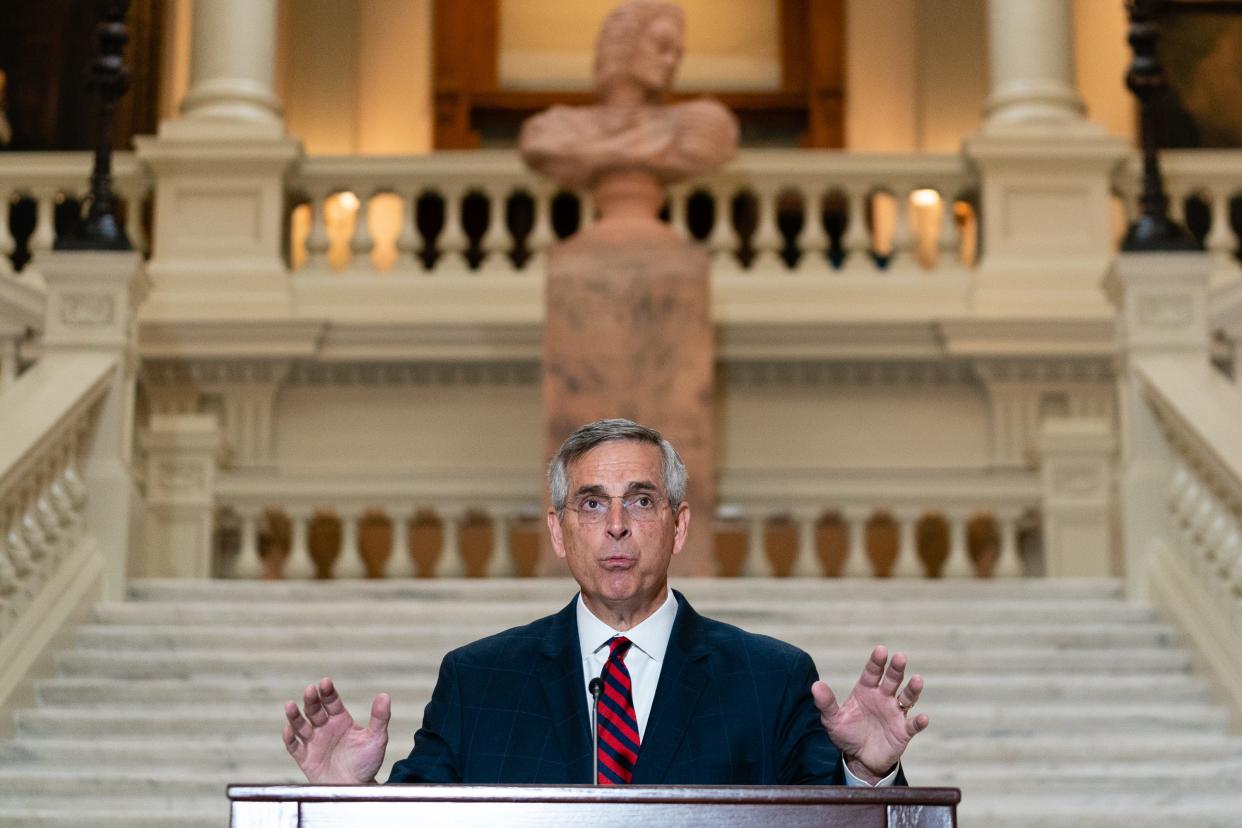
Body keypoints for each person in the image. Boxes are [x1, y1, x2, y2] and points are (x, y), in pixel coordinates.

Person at [282, 419, 928, 786]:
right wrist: (349, 802)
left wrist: (867, 773)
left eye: (641, 501)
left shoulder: (771, 677)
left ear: (678, 526)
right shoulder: (478, 680)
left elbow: (833, 822)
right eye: (592, 503)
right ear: (559, 531)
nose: (616, 525)